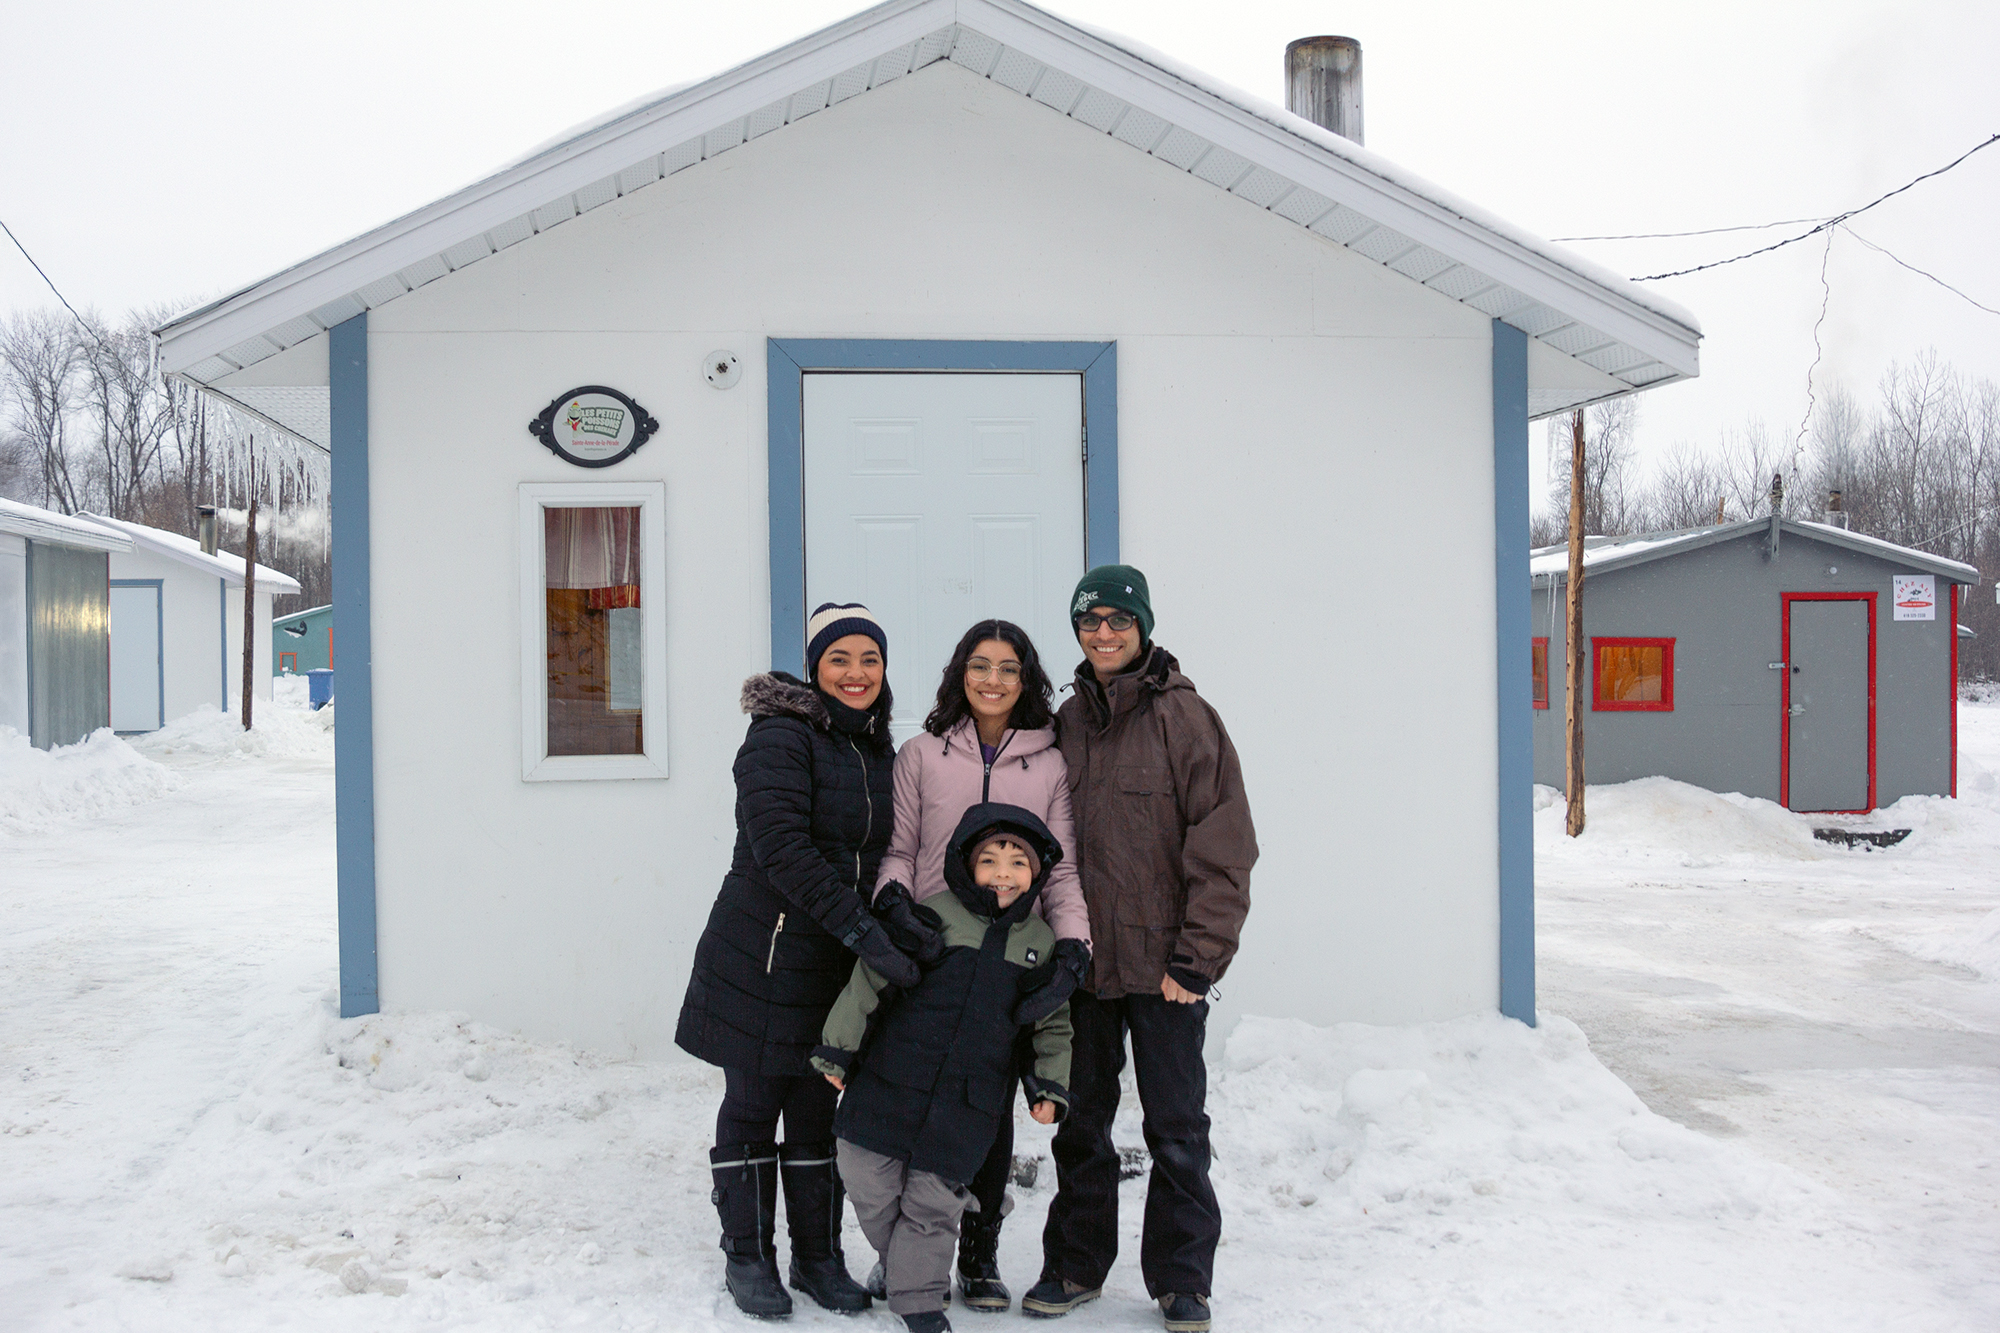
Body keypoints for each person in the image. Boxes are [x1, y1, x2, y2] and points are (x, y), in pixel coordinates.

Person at [1023, 566, 1258, 1333]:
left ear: (1144, 626)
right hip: (1087, 965)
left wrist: (1198, 959)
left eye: (1119, 619)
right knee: (1082, 1124)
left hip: (1167, 971)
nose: (1104, 632)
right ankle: (1076, 1263)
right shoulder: (1066, 722)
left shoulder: (1188, 720)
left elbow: (1224, 847)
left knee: (1177, 1127)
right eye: (1090, 621)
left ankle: (1183, 1278)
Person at [675, 602, 925, 1319]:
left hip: (834, 965)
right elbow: (783, 850)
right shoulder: (778, 738)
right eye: (840, 659)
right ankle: (747, 1254)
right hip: (765, 952)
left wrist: (895, 920)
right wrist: (864, 931)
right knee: (754, 1106)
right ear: (815, 666)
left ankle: (817, 1256)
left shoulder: (876, 749)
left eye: (870, 660)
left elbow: (880, 856)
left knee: (818, 1107)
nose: (856, 673)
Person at [871, 619, 1093, 1311]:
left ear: (1026, 678)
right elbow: (901, 849)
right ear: (959, 671)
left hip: (1003, 956)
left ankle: (979, 1249)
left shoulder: (1049, 763)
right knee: (908, 1096)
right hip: (932, 946)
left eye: (1008, 667)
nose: (992, 679)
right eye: (979, 664)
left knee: (984, 1110)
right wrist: (895, 906)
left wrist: (1073, 945)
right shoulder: (922, 753)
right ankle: (903, 1251)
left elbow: (1062, 870)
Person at [813, 804, 1076, 1333]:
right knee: (864, 1173)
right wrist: (837, 1049)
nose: (1004, 873)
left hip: (967, 1101)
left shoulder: (1040, 945)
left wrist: (1049, 1086)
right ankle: (908, 1264)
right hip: (892, 1080)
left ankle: (919, 1303)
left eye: (1018, 862)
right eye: (991, 859)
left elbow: (1052, 1024)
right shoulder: (932, 915)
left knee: (932, 1206)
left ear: (1037, 875)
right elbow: (871, 979)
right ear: (965, 865)